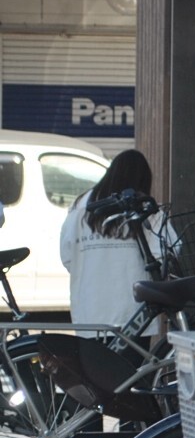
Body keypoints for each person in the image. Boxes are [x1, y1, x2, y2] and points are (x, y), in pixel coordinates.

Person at [60, 149, 167, 355]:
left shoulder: (80, 206)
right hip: (134, 313)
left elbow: (67, 256)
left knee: (94, 378)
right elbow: (166, 251)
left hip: (89, 310)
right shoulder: (144, 207)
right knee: (131, 378)